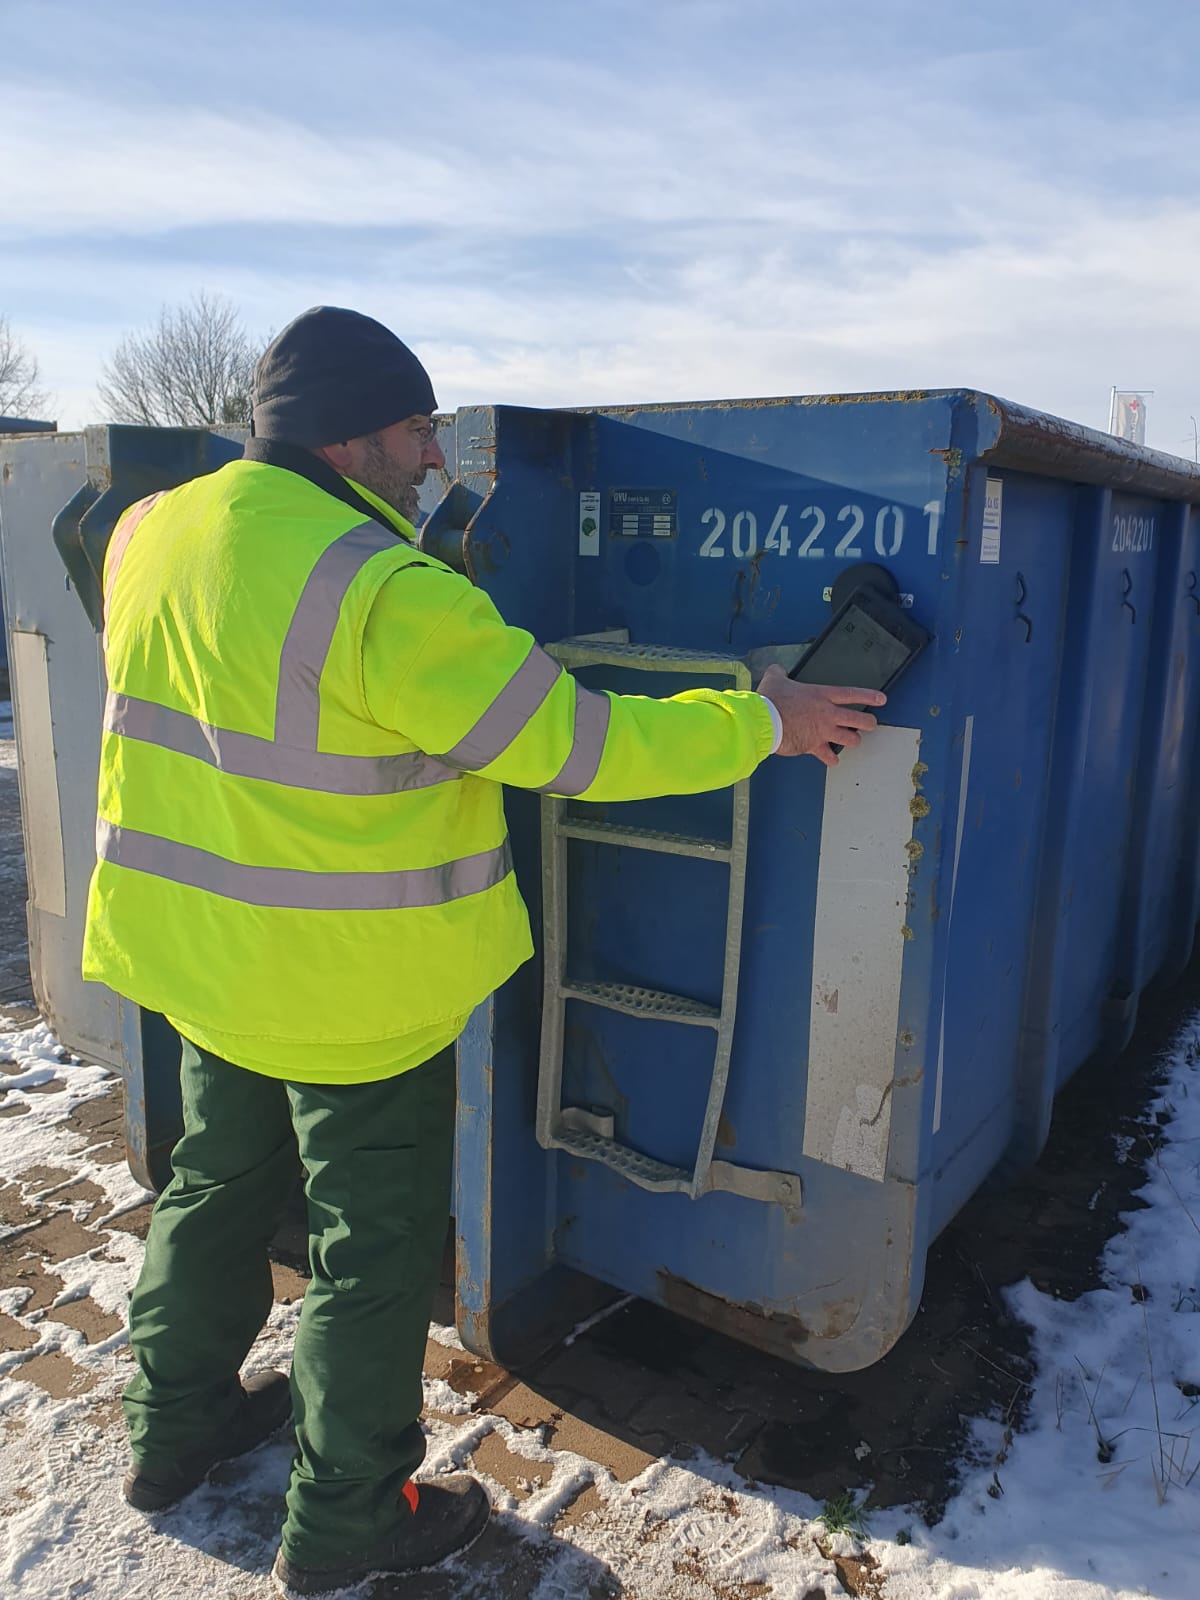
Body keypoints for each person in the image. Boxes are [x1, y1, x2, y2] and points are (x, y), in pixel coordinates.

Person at [82, 306, 886, 1596]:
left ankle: (170, 1435)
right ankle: (347, 1517)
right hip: (350, 996)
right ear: (346, 437)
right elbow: (575, 744)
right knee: (371, 1249)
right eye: (416, 428)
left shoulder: (153, 530)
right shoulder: (380, 590)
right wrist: (763, 720)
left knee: (213, 1187)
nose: (433, 458)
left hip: (197, 960)